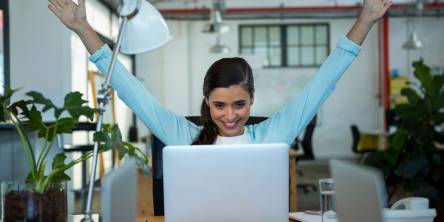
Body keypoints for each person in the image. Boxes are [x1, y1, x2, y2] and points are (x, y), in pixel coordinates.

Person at [48, 0, 392, 146]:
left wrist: (365, 20)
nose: (230, 116)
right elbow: (130, 90)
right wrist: (82, 28)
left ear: (252, 99)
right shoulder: (185, 137)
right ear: (207, 102)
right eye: (220, 105)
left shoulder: (273, 136)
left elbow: (322, 83)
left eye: (239, 104)